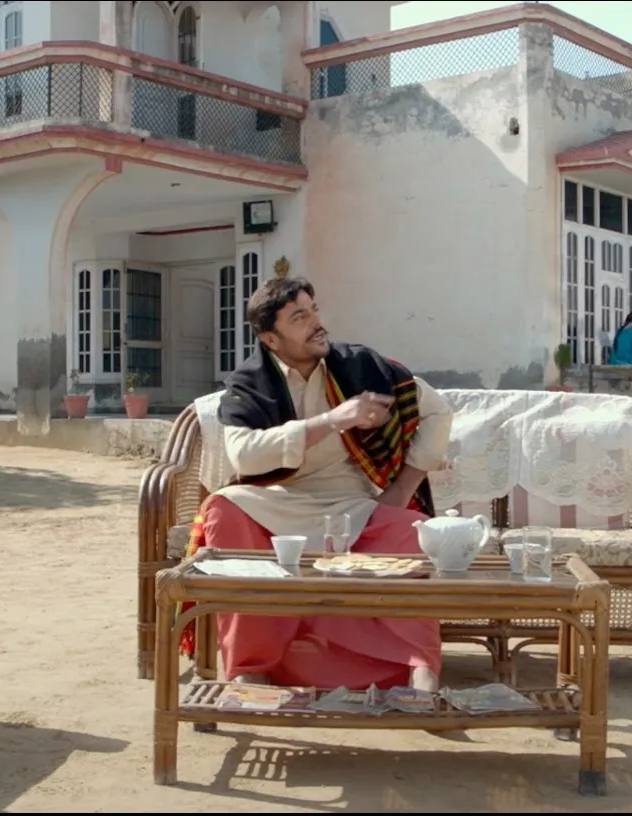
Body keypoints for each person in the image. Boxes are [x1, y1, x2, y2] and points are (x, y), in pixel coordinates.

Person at [182, 276, 454, 692]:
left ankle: (419, 669)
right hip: (274, 504)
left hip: (351, 506)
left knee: (413, 534)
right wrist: (332, 420)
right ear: (270, 338)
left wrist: (401, 491)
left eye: (314, 310)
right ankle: (249, 666)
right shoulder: (249, 383)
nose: (316, 323)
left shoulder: (361, 367)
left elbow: (439, 411)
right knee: (223, 509)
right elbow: (244, 456)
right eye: (299, 317)